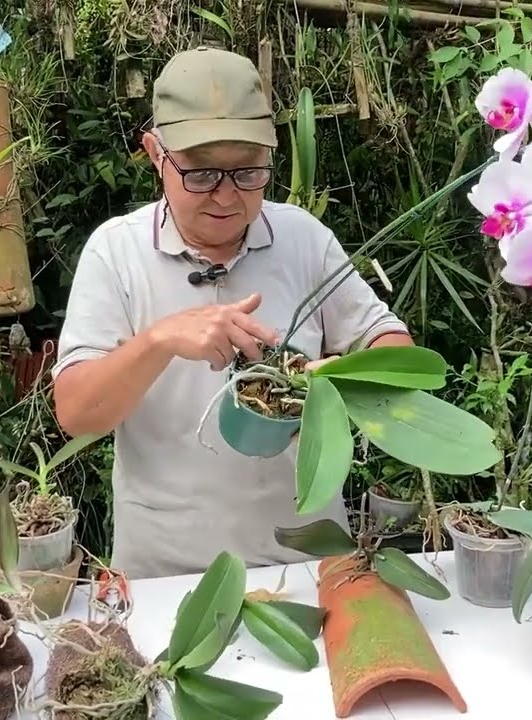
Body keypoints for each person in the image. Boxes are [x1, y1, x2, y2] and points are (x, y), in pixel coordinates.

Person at [51, 46, 414, 580]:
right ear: (156, 154)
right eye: (200, 174)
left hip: (308, 562)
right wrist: (160, 340)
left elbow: (395, 351)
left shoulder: (303, 239)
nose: (226, 196)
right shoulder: (117, 251)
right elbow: (76, 413)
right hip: (166, 575)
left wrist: (332, 382)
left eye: (248, 172)